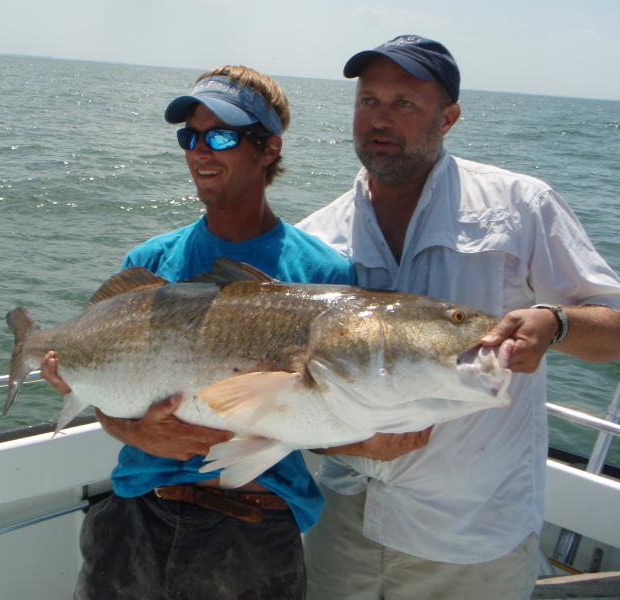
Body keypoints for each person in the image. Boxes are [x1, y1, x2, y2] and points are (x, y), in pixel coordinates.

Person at [297, 35, 620, 600]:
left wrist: (557, 323)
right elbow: (295, 389)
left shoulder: (522, 206)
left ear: (448, 118)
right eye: (367, 100)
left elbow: (614, 327)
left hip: (475, 537)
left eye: (403, 103)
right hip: (342, 523)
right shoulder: (314, 239)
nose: (379, 118)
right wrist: (339, 446)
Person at [42, 65, 354, 600]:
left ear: (269, 149)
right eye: (190, 136)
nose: (200, 151)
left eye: (223, 136)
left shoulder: (325, 278)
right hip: (136, 517)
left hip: (254, 533)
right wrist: (135, 432)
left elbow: (334, 412)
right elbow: (114, 397)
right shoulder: (148, 263)